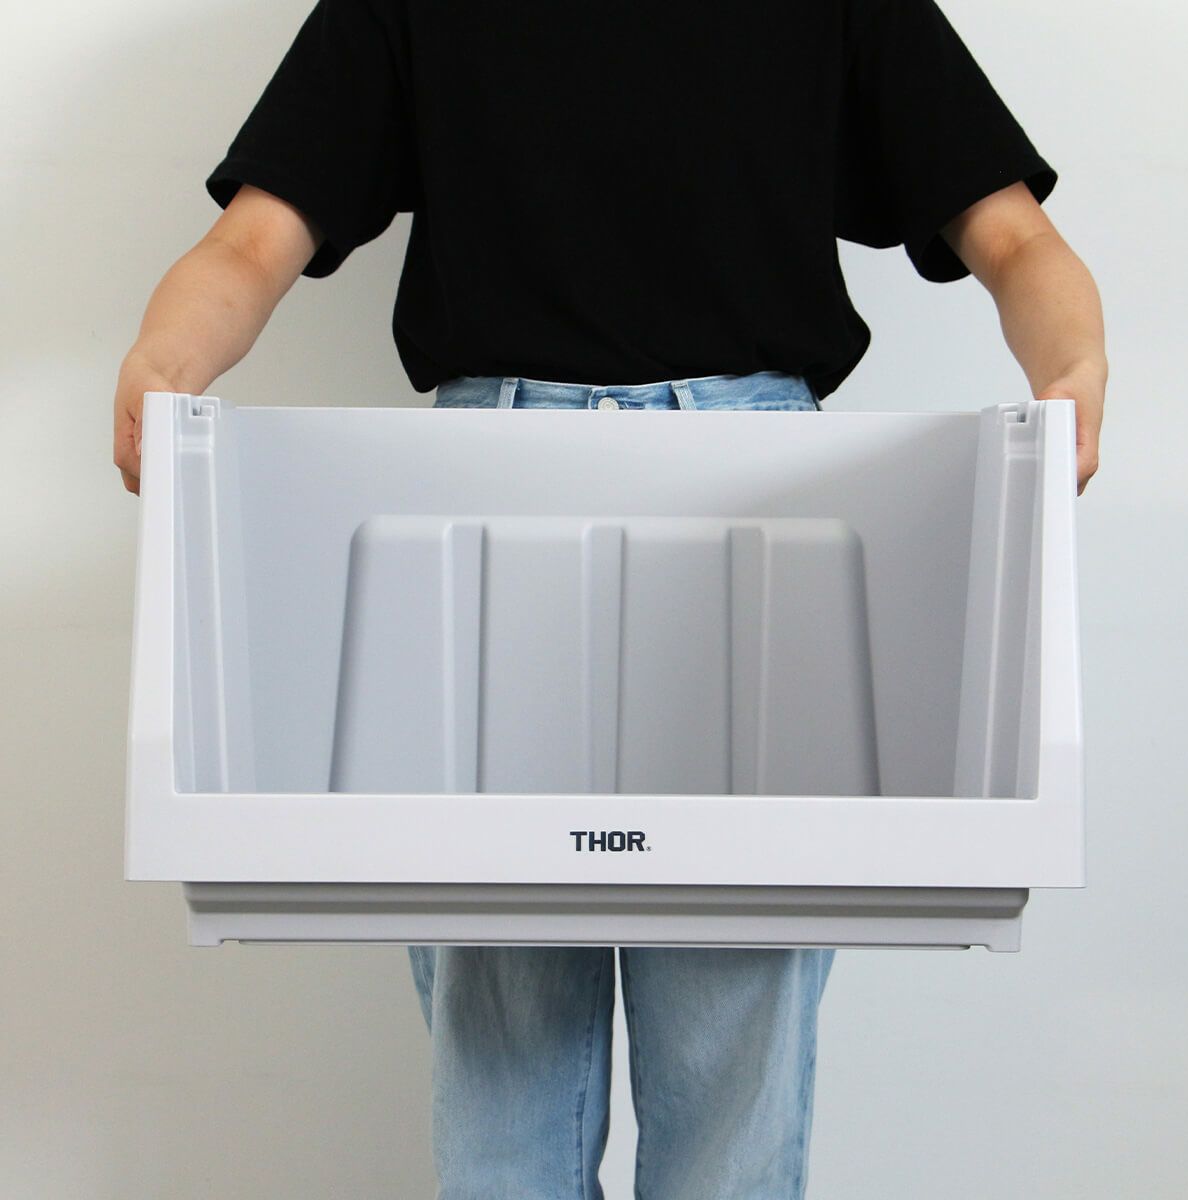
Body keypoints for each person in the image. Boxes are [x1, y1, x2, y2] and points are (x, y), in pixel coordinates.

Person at [112, 3, 1107, 1196]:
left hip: (750, 501)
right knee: (504, 1065)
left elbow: (1012, 233)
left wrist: (1071, 368)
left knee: (732, 1052)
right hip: (495, 500)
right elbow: (253, 238)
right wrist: (164, 364)